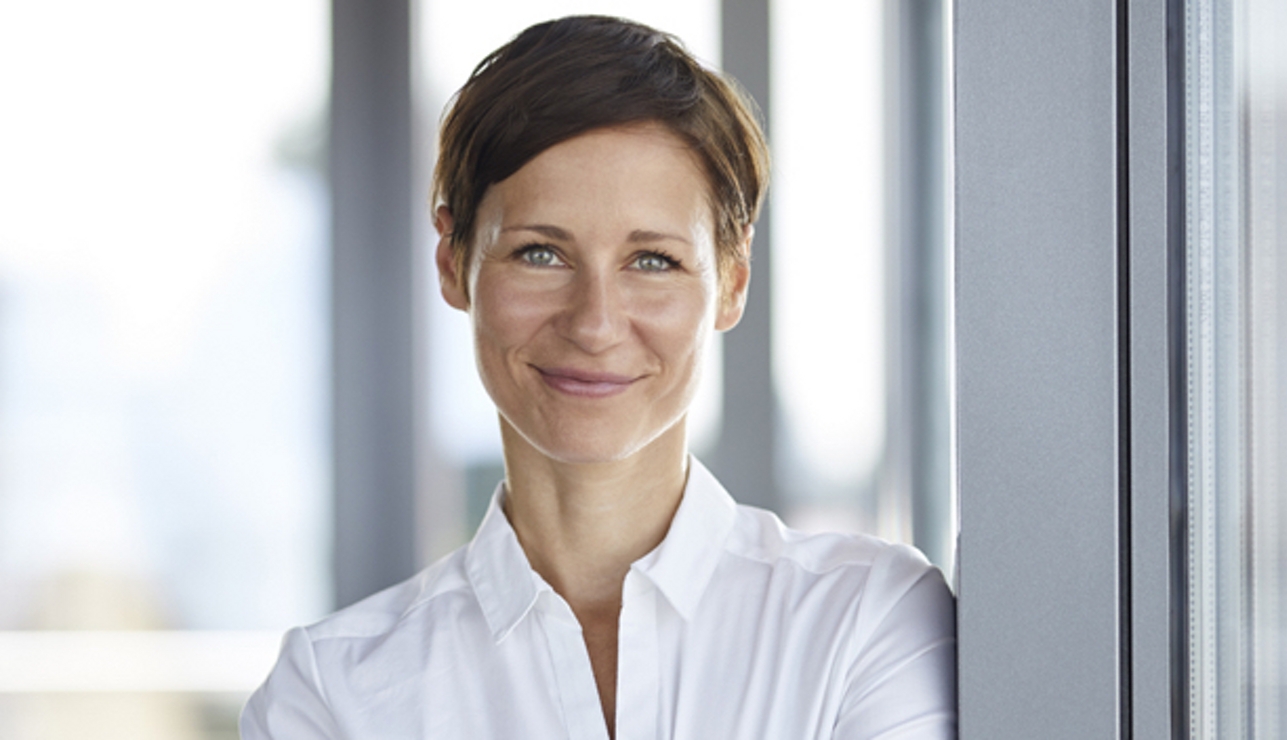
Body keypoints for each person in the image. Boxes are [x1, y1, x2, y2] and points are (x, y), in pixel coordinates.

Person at [241, 15, 954, 740]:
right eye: (540, 254)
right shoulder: (333, 693)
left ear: (732, 284)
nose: (595, 323)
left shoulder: (868, 622)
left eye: (653, 261)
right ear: (454, 263)